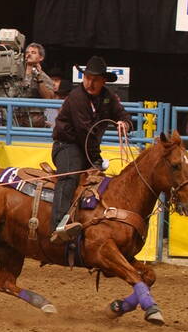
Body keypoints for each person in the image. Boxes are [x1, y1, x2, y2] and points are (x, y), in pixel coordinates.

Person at [49, 56, 131, 244]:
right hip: (67, 145)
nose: (90, 82)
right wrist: (97, 160)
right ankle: (58, 226)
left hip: (86, 147)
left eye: (95, 79)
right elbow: (85, 133)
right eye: (87, 78)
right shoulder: (77, 98)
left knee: (100, 184)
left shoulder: (108, 98)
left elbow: (123, 114)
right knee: (69, 176)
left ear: (103, 81)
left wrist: (125, 123)